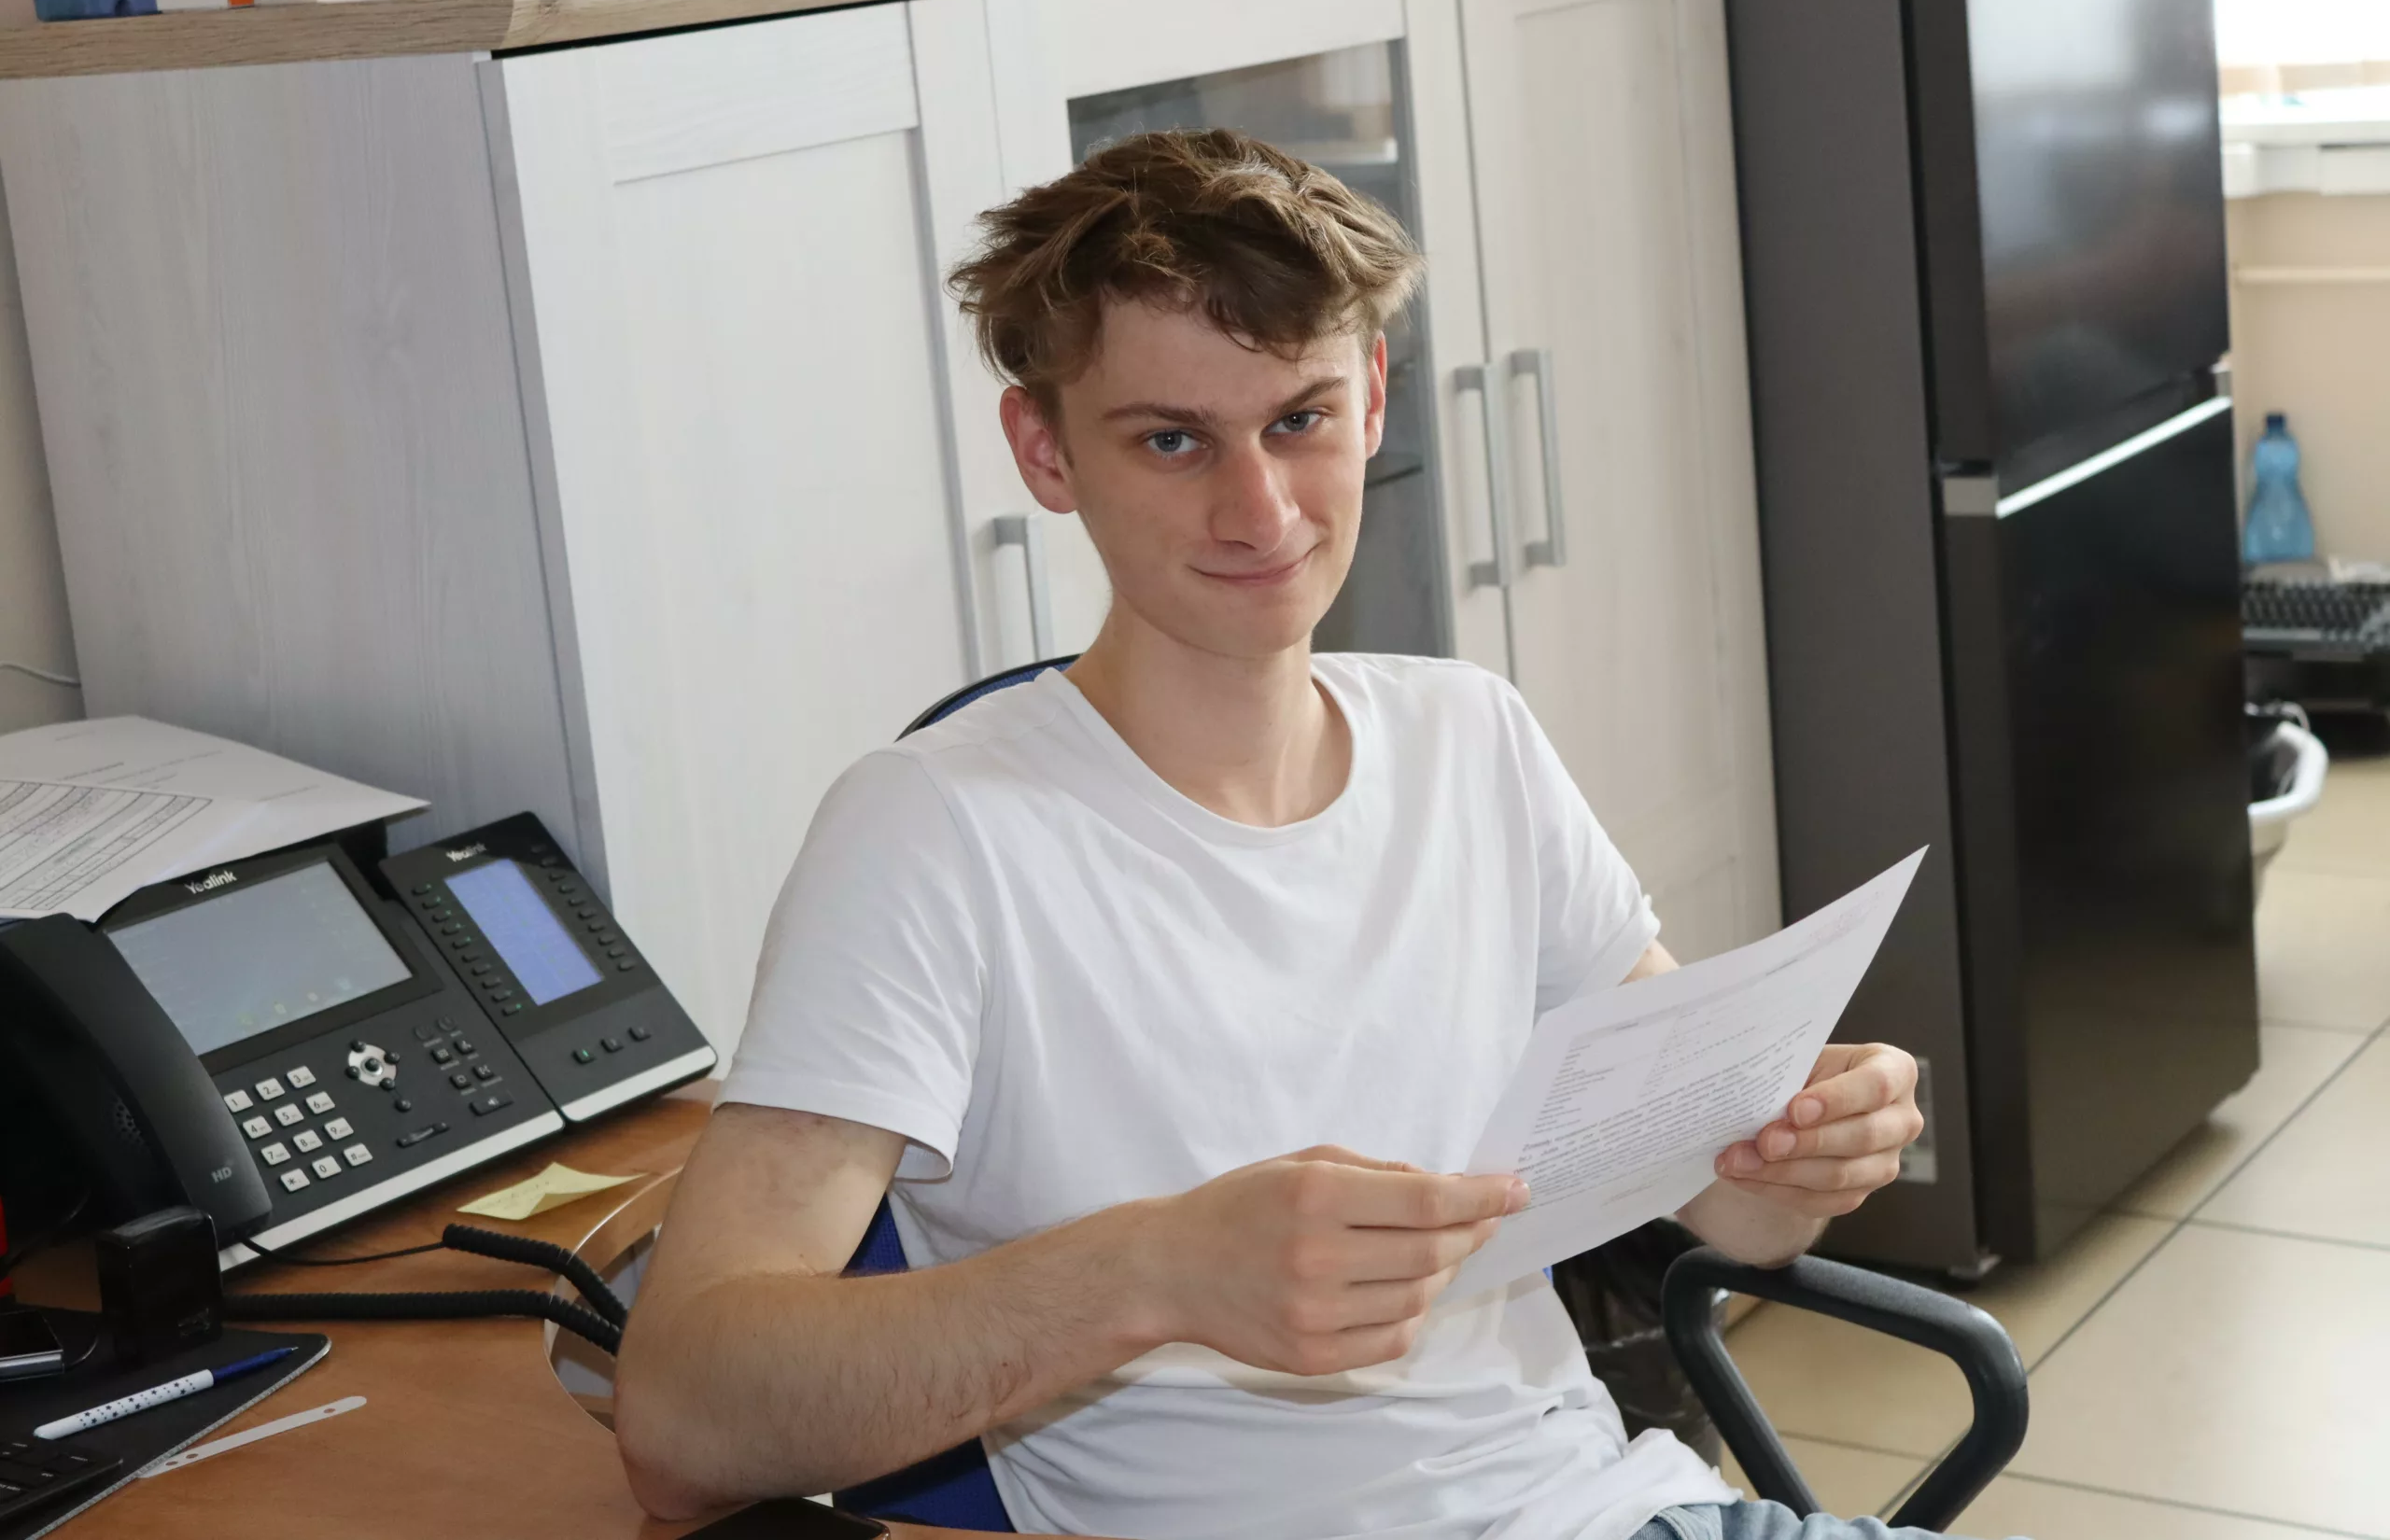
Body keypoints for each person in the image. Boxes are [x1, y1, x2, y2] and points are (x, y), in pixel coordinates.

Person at [614, 129, 1943, 1540]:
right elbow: (685, 1421)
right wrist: (1153, 1271)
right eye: (1172, 439)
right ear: (1045, 451)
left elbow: (1736, 1215)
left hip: (1612, 1512)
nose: (1259, 512)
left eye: (1299, 420)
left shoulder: (1472, 740)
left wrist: (1800, 1144)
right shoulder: (930, 834)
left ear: (1371, 399)